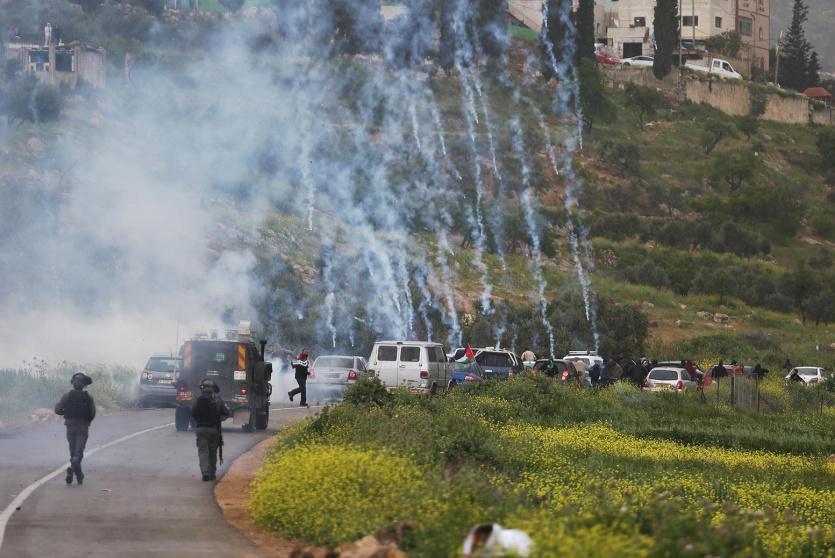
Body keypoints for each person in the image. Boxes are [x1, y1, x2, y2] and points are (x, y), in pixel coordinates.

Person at [54, 372, 96, 485]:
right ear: (84, 385)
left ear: (73, 383)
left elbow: (57, 410)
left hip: (70, 426)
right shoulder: (89, 397)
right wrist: (86, 421)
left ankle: (77, 474)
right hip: (83, 428)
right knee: (78, 453)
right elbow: (92, 414)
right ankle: (74, 470)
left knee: (73, 452)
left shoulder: (67, 395)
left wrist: (65, 412)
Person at [190, 379, 229, 482]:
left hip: (201, 430)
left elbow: (193, 413)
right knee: (212, 453)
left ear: (202, 388)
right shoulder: (217, 400)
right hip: (214, 430)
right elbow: (226, 412)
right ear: (213, 389)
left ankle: (205, 473)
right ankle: (211, 473)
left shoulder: (197, 399)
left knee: (203, 452)